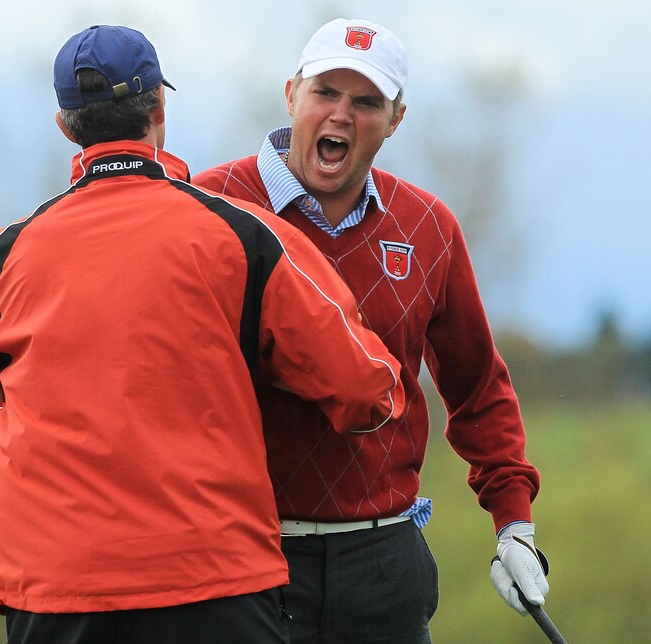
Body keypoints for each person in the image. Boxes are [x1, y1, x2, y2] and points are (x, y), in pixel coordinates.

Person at [0, 24, 406, 644]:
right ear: (160, 107)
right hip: (217, 583)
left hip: (56, 588)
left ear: (66, 127)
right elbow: (366, 390)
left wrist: (12, 460)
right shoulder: (243, 236)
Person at [192, 17, 550, 643]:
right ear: (291, 95)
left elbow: (476, 386)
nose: (341, 115)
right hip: (245, 558)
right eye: (325, 93)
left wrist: (512, 521)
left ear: (395, 119)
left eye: (366, 103)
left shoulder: (428, 226)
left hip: (384, 561)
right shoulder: (208, 207)